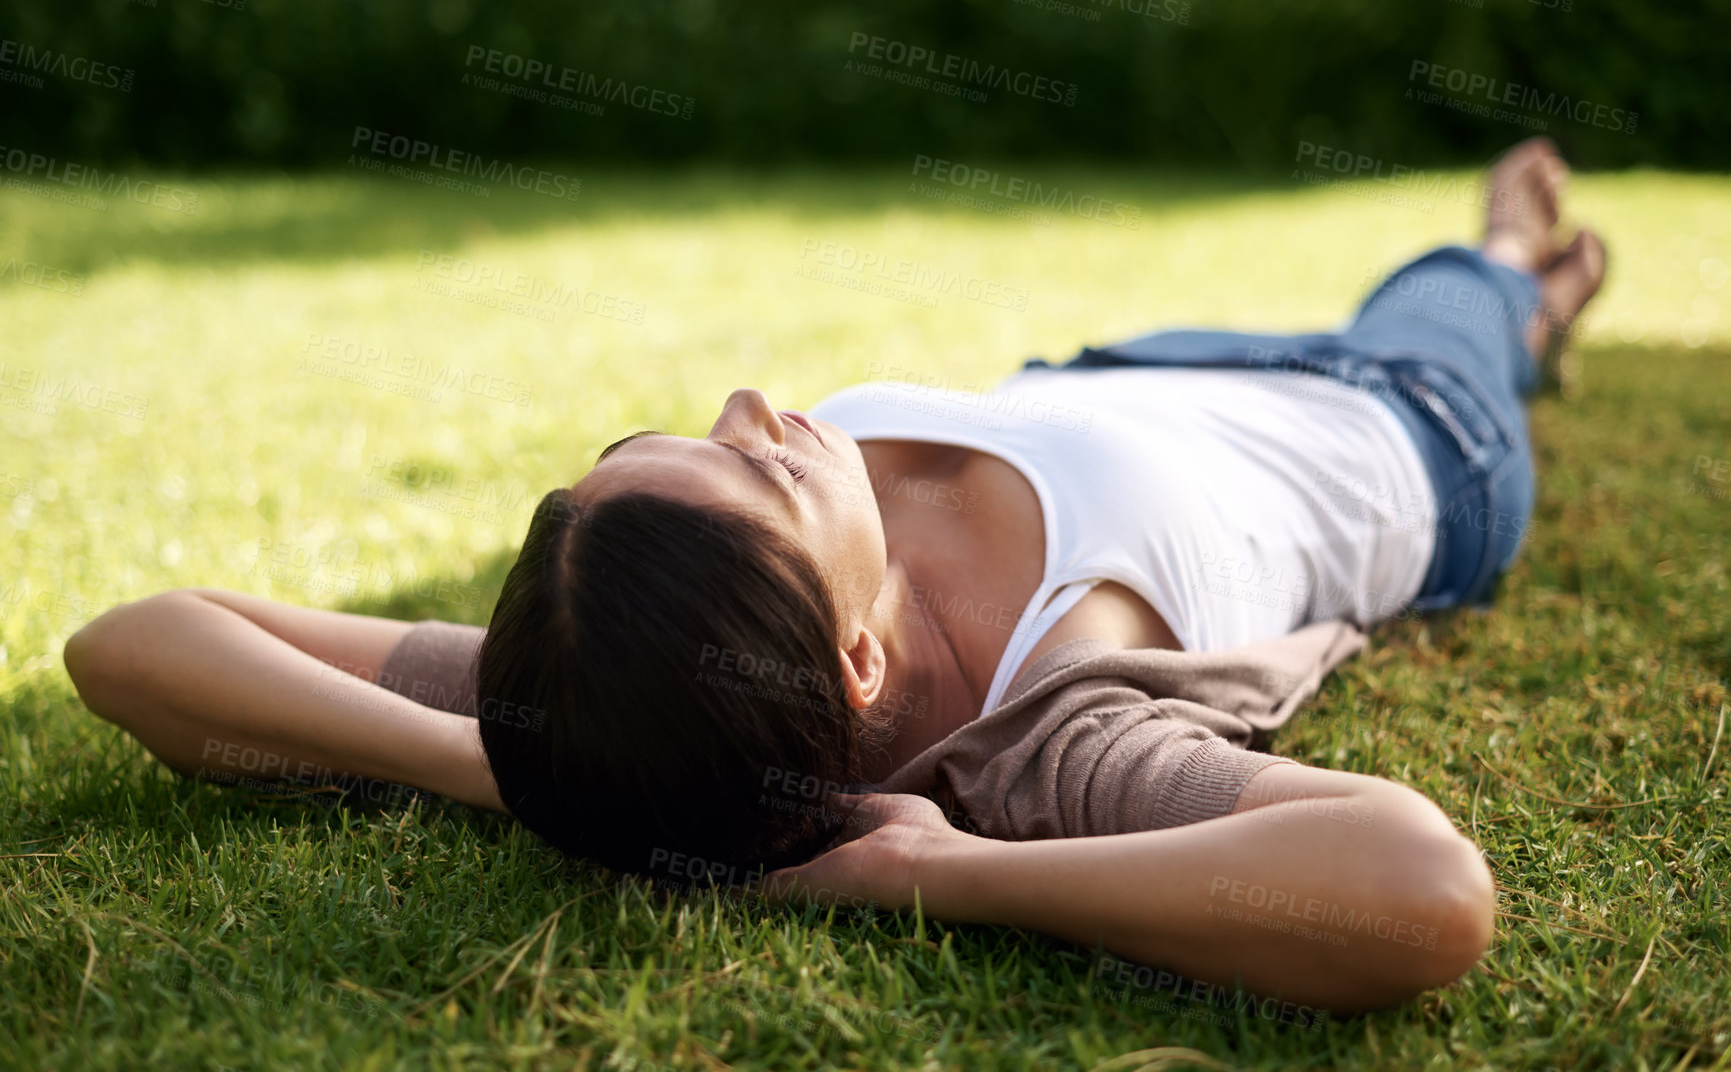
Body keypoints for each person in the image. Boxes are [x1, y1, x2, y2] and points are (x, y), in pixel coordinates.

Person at [64, 138, 1606, 1015]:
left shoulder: (632, 676)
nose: (752, 409)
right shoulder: (1052, 740)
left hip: (1116, 376)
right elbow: (1422, 896)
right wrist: (934, 872)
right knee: (1453, 306)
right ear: (857, 667)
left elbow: (133, 644)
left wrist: (515, 770)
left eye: (660, 440)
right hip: (1410, 435)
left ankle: (1506, 279)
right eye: (759, 473)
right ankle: (1518, 268)